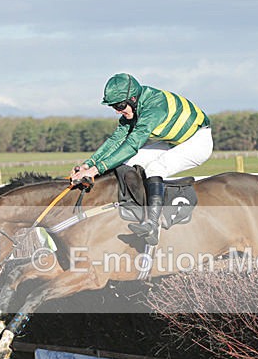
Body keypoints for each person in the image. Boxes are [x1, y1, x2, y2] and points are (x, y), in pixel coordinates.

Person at [70, 73, 213, 245]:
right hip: (174, 141)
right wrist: (88, 165)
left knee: (155, 168)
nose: (117, 111)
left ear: (132, 98)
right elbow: (116, 140)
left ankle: (153, 224)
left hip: (198, 142)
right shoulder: (136, 106)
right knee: (127, 163)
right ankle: (134, 209)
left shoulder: (154, 109)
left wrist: (95, 170)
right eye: (113, 106)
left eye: (120, 105)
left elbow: (132, 144)